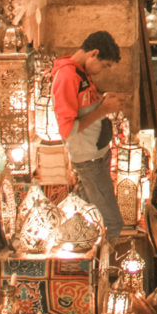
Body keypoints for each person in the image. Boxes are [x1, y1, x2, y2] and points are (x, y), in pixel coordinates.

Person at [52, 31, 127, 241]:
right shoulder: (67, 76)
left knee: (87, 219)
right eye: (105, 65)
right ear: (93, 53)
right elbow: (67, 129)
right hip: (89, 160)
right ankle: (107, 269)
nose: (103, 72)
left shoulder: (80, 73)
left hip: (97, 154)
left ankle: (89, 265)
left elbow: (83, 107)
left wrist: (103, 101)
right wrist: (103, 110)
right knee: (112, 222)